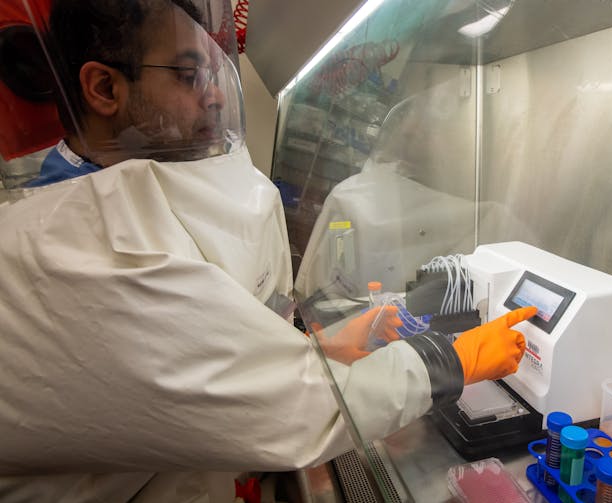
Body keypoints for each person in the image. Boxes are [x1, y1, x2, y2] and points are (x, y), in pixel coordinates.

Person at [0, 0, 536, 501]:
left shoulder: (132, 198)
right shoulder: (82, 253)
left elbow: (206, 363)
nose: (212, 96)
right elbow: (294, 411)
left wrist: (318, 348)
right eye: (189, 76)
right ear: (103, 87)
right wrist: (447, 360)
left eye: (212, 75)